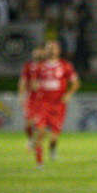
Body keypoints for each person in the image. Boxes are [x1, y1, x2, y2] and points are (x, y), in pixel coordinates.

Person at [33, 39, 80, 167]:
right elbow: (34, 83)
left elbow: (76, 83)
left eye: (54, 48)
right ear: (46, 50)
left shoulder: (65, 66)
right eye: (49, 48)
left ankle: (52, 148)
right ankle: (39, 164)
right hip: (43, 105)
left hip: (58, 106)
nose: (52, 50)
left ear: (58, 50)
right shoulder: (40, 66)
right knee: (40, 132)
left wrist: (68, 94)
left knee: (53, 138)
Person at [18, 45, 44, 156]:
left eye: (40, 52)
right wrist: (20, 95)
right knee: (28, 124)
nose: (38, 53)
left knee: (40, 125)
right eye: (36, 51)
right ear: (33, 53)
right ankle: (30, 139)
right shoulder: (28, 66)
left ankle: (37, 144)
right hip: (31, 99)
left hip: (43, 100)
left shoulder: (46, 66)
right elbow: (23, 81)